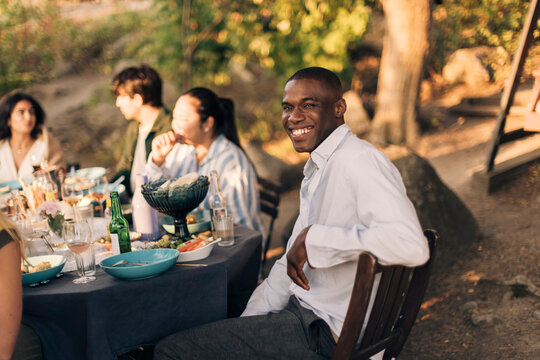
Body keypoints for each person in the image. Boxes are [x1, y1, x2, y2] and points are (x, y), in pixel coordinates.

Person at [153, 67, 429, 360]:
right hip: (307, 316)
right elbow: (287, 266)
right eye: (287, 107)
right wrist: (246, 327)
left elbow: (411, 245)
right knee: (209, 320)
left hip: (323, 333)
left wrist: (316, 240)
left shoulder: (359, 160)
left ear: (339, 108)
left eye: (308, 105)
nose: (294, 117)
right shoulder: (321, 167)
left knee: (171, 351)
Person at [144, 87, 264, 235]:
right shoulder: (180, 151)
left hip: (231, 245)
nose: (176, 125)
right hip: (191, 240)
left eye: (184, 119)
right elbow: (147, 197)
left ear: (207, 123)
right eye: (175, 117)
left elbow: (240, 227)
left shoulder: (231, 162)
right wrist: (157, 160)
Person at [110, 64, 172, 196]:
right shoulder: (134, 127)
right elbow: (124, 167)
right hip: (133, 202)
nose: (117, 103)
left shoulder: (170, 128)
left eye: (121, 97)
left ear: (138, 99)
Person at [0, 92, 66, 183]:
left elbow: (60, 174)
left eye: (31, 112)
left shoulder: (45, 144)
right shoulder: (2, 148)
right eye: (21, 112)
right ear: (8, 120)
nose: (28, 117)